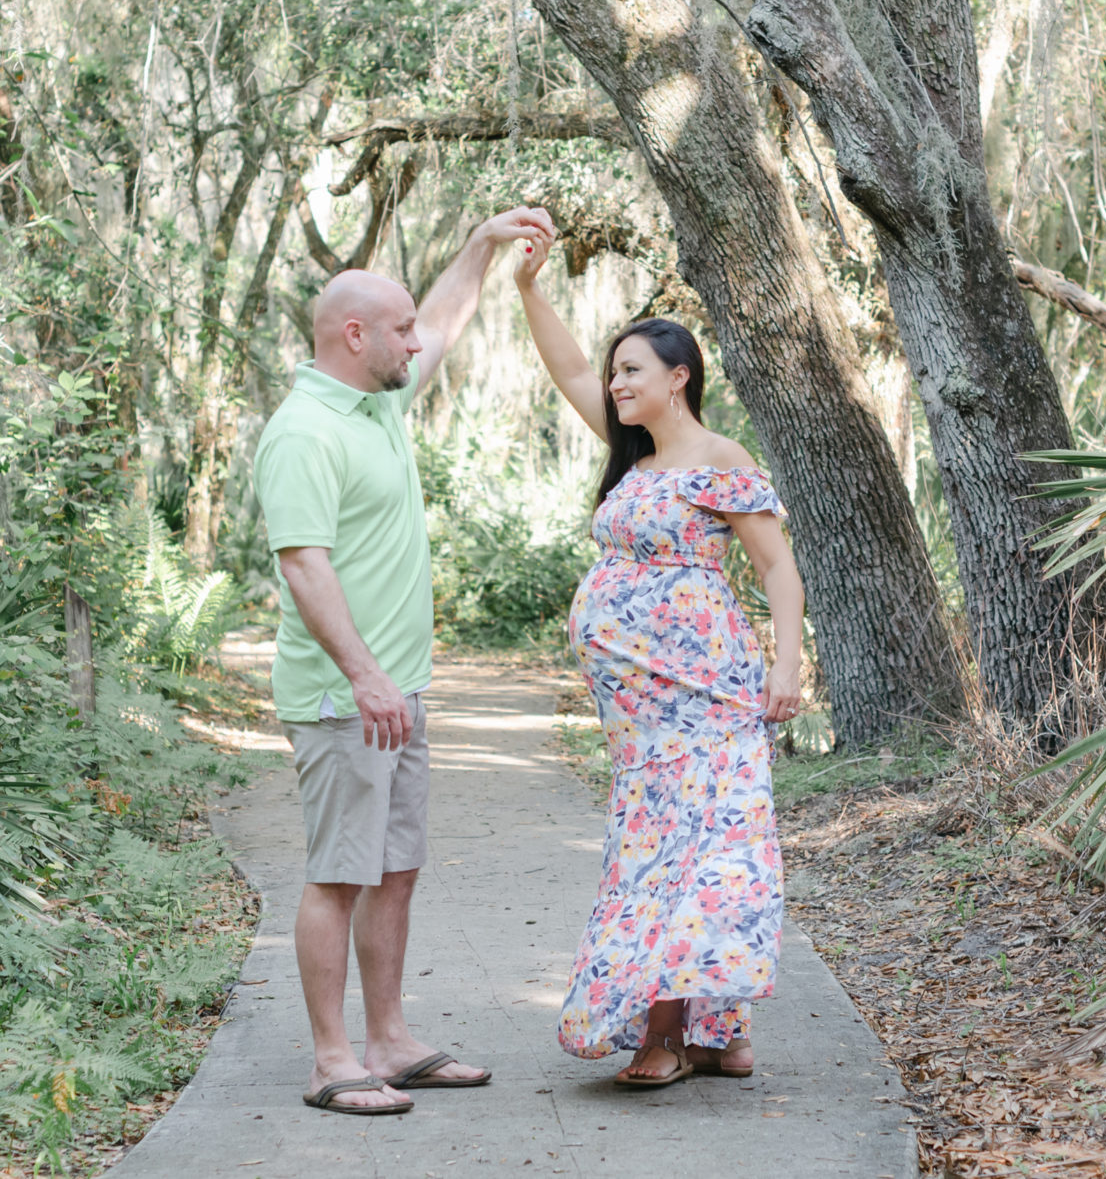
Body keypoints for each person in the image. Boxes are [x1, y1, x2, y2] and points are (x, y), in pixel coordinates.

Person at [251, 205, 555, 1116]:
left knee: (394, 869)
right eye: (400, 329)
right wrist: (365, 674)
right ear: (355, 335)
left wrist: (481, 243)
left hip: (396, 694)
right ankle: (332, 1057)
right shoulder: (306, 430)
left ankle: (388, 1037)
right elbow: (304, 562)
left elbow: (449, 319)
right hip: (347, 696)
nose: (418, 341)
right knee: (339, 872)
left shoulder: (377, 404)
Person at [512, 224, 807, 1088]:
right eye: (615, 371)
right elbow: (569, 370)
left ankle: (666, 1033)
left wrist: (785, 667)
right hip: (637, 716)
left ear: (679, 377)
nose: (614, 382)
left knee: (695, 848)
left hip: (703, 691)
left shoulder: (719, 460)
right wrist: (531, 288)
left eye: (632, 369)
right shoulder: (634, 459)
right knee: (675, 844)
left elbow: (776, 566)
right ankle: (724, 1031)